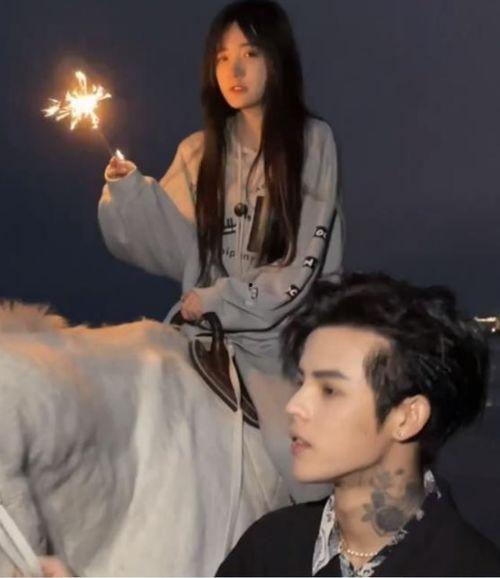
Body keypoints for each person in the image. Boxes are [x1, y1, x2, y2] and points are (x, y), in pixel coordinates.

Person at [99, 0, 342, 503]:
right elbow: (172, 244)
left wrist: (220, 298)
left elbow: (300, 262)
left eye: (249, 53)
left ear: (277, 58)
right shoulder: (197, 152)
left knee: (303, 466)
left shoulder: (311, 142)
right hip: (206, 335)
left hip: (282, 341)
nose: (234, 70)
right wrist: (130, 193)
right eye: (222, 57)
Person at [217, 273, 500, 577]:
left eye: (329, 390)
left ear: (407, 418)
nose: (294, 405)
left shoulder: (472, 568)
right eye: (301, 383)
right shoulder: (267, 548)